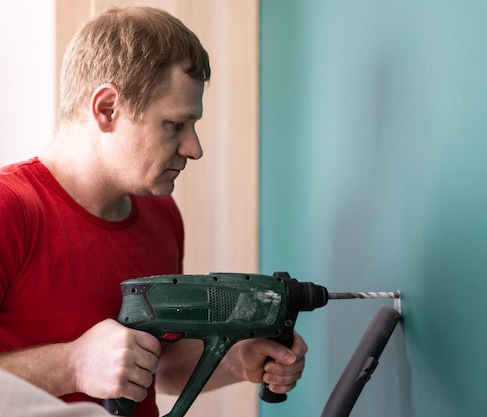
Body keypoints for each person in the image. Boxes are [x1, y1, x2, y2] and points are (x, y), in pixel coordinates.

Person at [0, 6, 307, 417]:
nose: (193, 148)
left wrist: (238, 358)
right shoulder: (10, 210)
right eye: (174, 126)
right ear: (107, 108)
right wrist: (71, 365)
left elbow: (159, 366)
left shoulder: (162, 215)